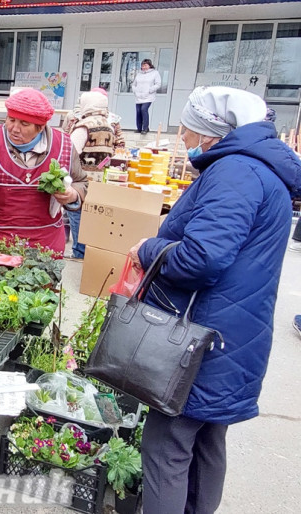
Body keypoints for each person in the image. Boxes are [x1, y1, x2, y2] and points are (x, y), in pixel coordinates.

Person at [127, 86, 301, 514]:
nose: (183, 136)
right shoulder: (262, 170)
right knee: (205, 442)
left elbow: (200, 259)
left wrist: (149, 247)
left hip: (199, 339)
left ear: (211, 131)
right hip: (231, 335)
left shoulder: (235, 172)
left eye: (187, 128)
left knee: (166, 448)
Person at [0, 88, 87, 252]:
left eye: (24, 124)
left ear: (41, 127)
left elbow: (81, 182)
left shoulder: (64, 146)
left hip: (43, 244)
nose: (14, 128)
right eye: (11, 120)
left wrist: (73, 195)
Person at [67, 91, 116, 259]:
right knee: (95, 218)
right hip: (102, 181)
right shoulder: (109, 126)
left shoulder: (84, 126)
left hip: (82, 181)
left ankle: (79, 252)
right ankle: (92, 253)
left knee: (77, 214)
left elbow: (70, 151)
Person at [131, 58, 161, 134]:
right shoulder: (139, 74)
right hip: (139, 96)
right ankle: (139, 128)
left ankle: (145, 128)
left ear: (150, 65)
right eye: (142, 65)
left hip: (148, 96)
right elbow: (134, 84)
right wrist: (135, 91)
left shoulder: (155, 73)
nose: (144, 67)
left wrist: (150, 90)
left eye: (145, 65)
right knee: (138, 111)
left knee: (144, 109)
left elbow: (158, 84)